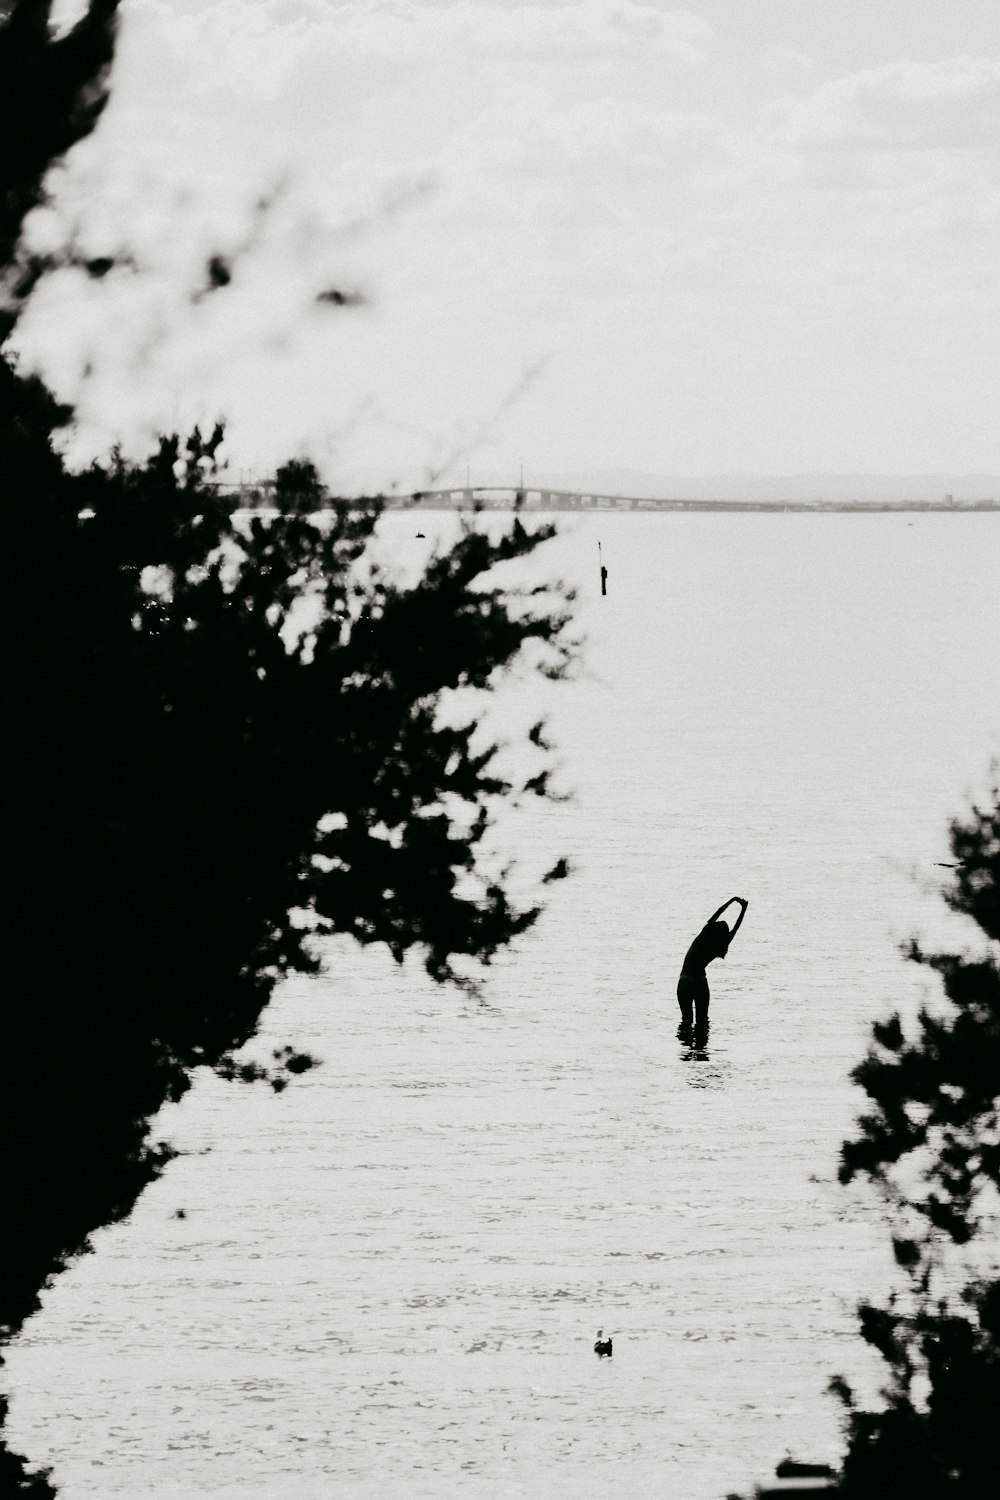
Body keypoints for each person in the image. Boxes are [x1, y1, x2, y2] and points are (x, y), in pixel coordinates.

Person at [677, 897, 748, 1030]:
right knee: (702, 1023)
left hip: (684, 980)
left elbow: (718, 913)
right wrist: (743, 910)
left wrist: (733, 901)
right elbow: (736, 927)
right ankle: (701, 1051)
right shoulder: (720, 945)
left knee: (686, 1021)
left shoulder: (706, 932)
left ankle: (685, 1050)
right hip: (700, 982)